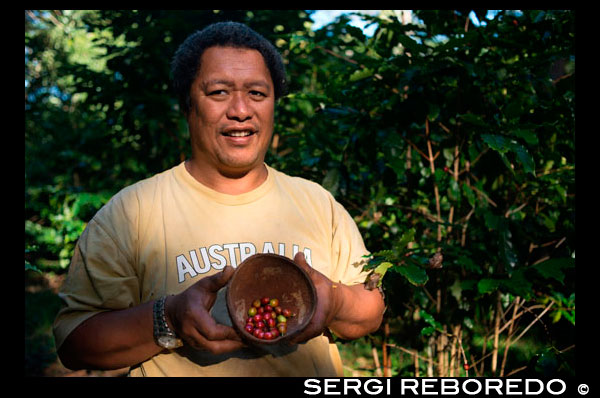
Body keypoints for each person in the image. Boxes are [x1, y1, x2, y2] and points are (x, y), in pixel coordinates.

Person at [53, 21, 385, 377]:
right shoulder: (131, 213)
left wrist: (334, 301)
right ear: (187, 105)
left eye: (257, 93)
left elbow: (371, 311)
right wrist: (168, 319)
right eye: (219, 93)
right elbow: (75, 343)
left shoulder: (318, 204)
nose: (240, 110)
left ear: (274, 104)